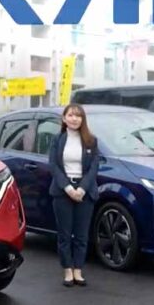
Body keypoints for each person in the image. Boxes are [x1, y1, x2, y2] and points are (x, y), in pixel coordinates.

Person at [47, 104, 101, 287]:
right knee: (64, 234)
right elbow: (53, 165)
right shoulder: (57, 140)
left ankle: (78, 269)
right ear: (64, 118)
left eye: (78, 116)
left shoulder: (91, 141)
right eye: (70, 115)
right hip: (62, 190)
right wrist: (68, 188)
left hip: (85, 191)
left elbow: (94, 167)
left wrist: (82, 189)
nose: (74, 119)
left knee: (81, 235)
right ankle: (67, 270)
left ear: (83, 119)